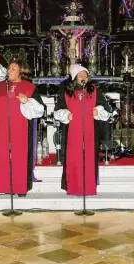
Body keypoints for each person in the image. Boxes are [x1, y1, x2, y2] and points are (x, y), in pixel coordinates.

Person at [0, 60, 45, 199]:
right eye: (9, 68)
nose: (9, 70)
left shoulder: (30, 87)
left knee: (19, 156)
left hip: (20, 128)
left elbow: (40, 109)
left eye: (14, 68)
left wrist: (27, 101)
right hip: (0, 128)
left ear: (21, 71)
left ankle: (20, 187)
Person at [54, 64, 110, 196]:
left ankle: (88, 187)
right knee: (74, 160)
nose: (84, 76)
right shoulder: (67, 92)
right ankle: (74, 187)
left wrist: (98, 110)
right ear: (75, 77)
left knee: (89, 159)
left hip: (91, 132)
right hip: (72, 132)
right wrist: (66, 114)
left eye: (85, 74)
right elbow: (57, 110)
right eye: (80, 74)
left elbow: (105, 108)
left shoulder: (94, 91)